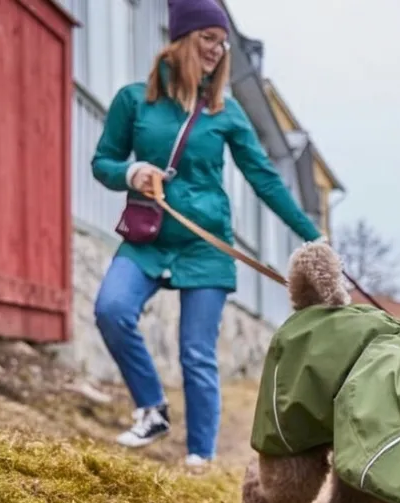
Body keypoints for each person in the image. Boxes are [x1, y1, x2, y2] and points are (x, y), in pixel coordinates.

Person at [90, 0, 322, 471]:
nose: (218, 49)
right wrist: (132, 172)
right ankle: (152, 409)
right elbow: (103, 162)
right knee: (111, 309)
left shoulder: (225, 113)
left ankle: (200, 459)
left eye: (223, 42)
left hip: (205, 243)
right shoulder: (134, 101)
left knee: (196, 353)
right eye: (208, 38)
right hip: (149, 235)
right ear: (181, 39)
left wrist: (313, 238)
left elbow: (265, 179)